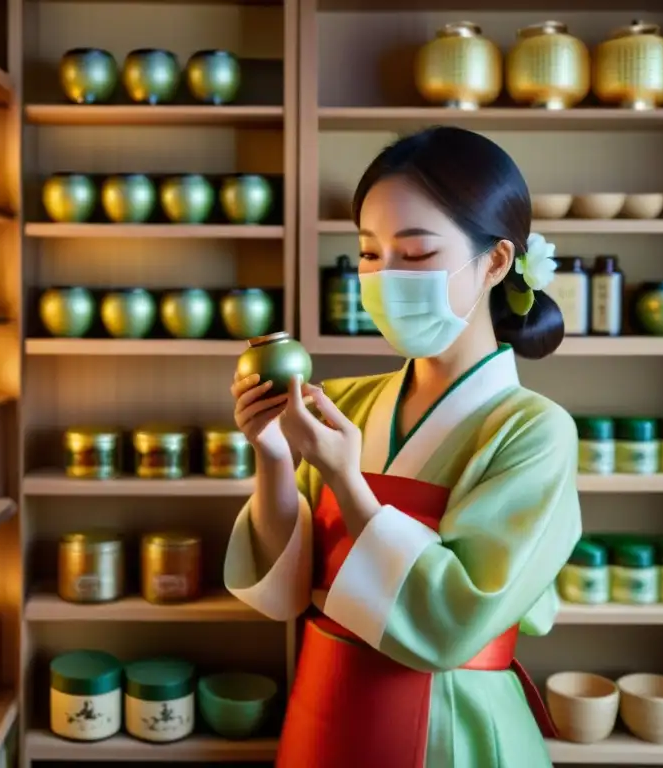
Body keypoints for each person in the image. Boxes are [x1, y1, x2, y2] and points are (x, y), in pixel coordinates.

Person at [224, 126, 582, 768]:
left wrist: (346, 482)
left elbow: (452, 624)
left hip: (451, 721)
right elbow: (284, 595)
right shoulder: (350, 404)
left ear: (496, 262)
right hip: (326, 701)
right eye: (368, 254)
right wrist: (275, 458)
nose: (385, 277)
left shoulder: (533, 431)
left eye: (415, 256)